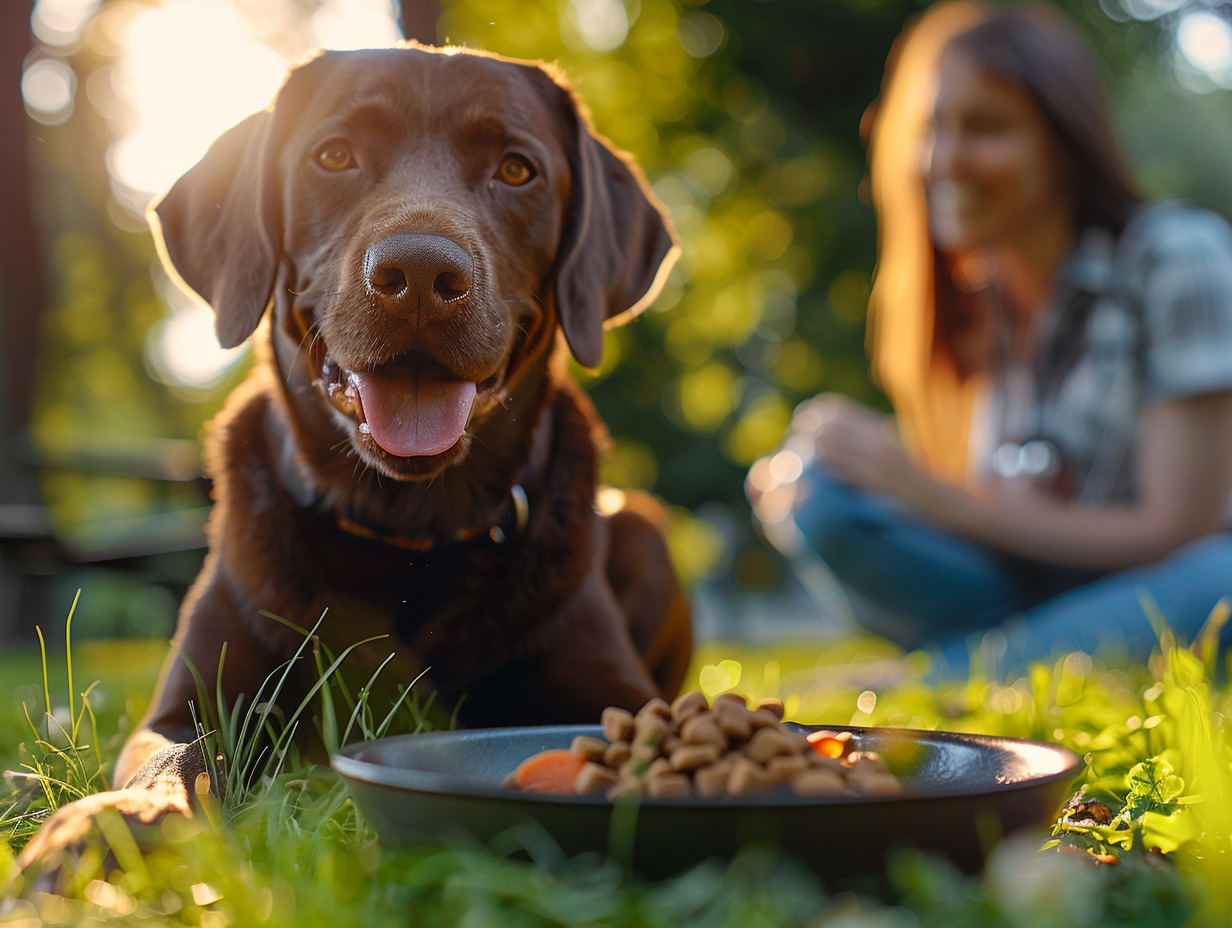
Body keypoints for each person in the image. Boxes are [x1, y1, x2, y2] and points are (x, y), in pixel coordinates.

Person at [747, 1, 1232, 674]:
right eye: (931, 128)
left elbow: (1180, 528)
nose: (944, 160)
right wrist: (861, 470)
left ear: (1064, 143)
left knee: (1221, 583)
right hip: (1032, 586)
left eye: (986, 129)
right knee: (822, 494)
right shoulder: (980, 307)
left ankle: (942, 674)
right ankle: (1028, 652)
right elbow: (998, 511)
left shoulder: (1180, 255)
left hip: (1175, 578)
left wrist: (931, 494)